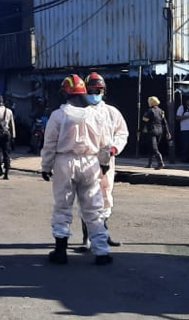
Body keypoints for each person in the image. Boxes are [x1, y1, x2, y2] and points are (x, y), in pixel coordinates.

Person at [40, 74, 113, 266]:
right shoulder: (97, 115)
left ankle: (61, 251)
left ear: (65, 92)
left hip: (64, 163)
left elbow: (49, 145)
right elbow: (106, 145)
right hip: (91, 162)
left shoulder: (58, 115)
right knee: (94, 209)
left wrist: (46, 167)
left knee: (62, 206)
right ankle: (102, 252)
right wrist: (104, 163)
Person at [76, 72, 129, 252]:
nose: (95, 93)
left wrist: (115, 148)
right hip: (87, 160)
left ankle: (103, 235)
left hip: (107, 159)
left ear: (104, 91)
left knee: (106, 196)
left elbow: (122, 133)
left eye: (98, 90)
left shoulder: (111, 112)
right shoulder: (80, 111)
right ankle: (87, 238)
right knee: (87, 198)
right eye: (91, 90)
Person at [142, 96, 170, 170]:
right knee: (152, 147)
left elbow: (144, 120)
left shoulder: (150, 111)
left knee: (154, 148)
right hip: (160, 131)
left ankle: (161, 163)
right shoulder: (161, 111)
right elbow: (165, 122)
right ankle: (149, 164)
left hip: (152, 130)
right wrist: (168, 132)